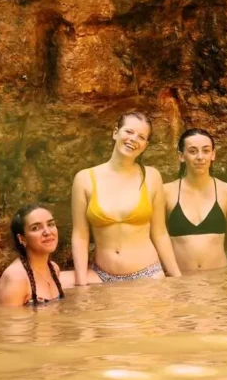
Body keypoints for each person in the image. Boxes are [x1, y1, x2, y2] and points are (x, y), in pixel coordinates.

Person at [68, 111, 182, 283]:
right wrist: (80, 282)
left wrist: (176, 277)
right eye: (129, 132)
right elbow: (80, 236)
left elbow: (160, 233)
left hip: (148, 273)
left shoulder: (152, 177)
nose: (133, 139)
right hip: (103, 275)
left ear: (145, 145)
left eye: (141, 137)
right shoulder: (84, 179)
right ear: (116, 133)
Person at [164, 129, 227, 272]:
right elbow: (159, 240)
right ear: (181, 156)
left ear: (213, 154)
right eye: (193, 151)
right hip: (180, 282)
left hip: (218, 280)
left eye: (206, 151)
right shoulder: (166, 192)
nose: (200, 157)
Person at [0, 203, 67, 306]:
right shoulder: (16, 278)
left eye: (51, 224)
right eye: (36, 228)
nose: (47, 232)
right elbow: (9, 319)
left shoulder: (54, 268)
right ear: (22, 239)